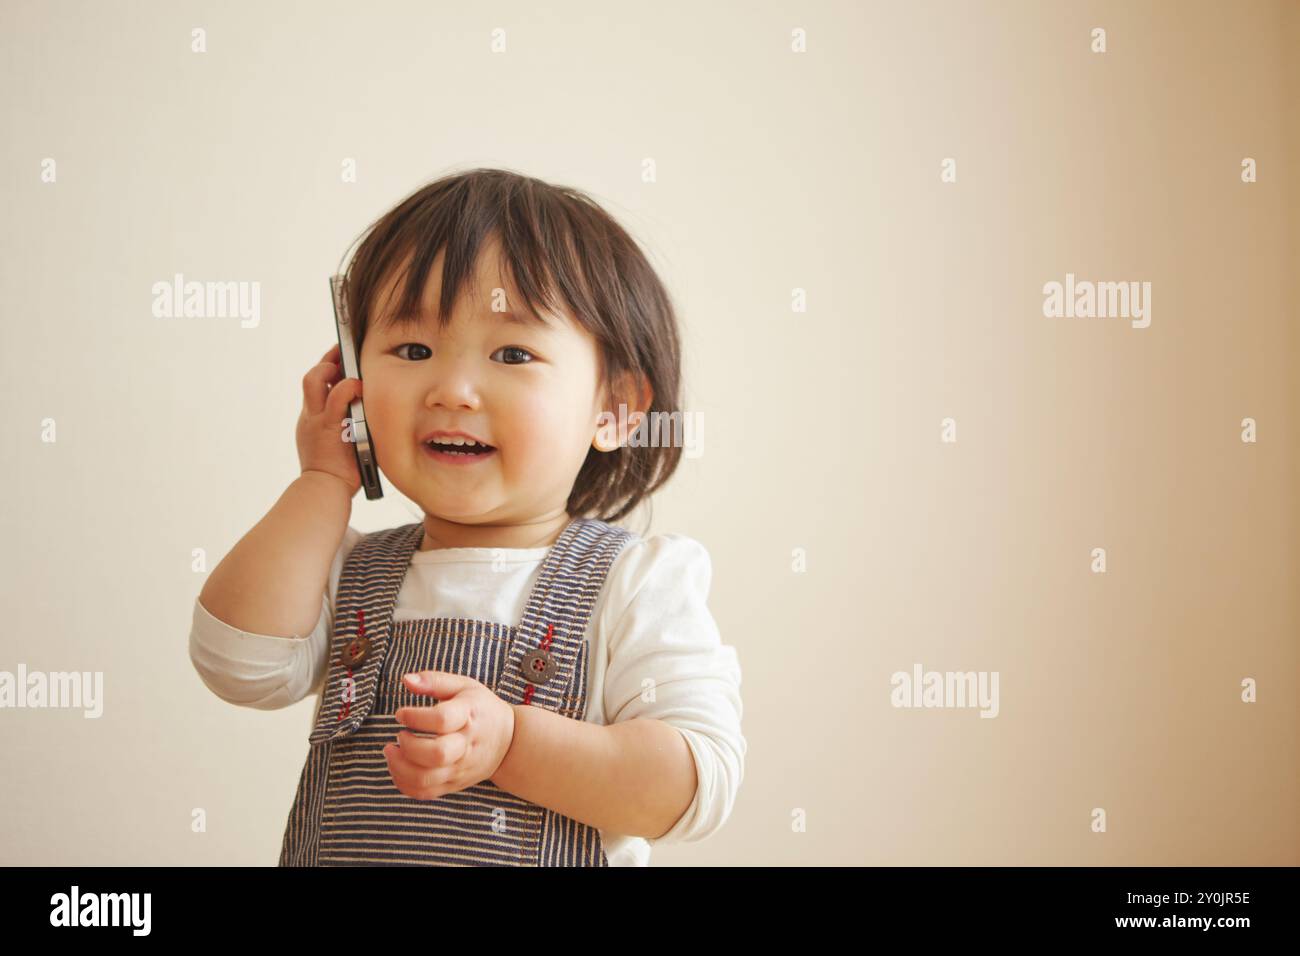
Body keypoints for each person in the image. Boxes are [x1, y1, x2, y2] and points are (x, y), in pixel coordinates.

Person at [188, 167, 744, 866]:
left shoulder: (634, 583)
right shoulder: (347, 570)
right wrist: (324, 481)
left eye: (513, 353)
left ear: (615, 409)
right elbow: (236, 663)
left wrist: (513, 743)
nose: (451, 389)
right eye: (412, 350)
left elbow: (694, 785)